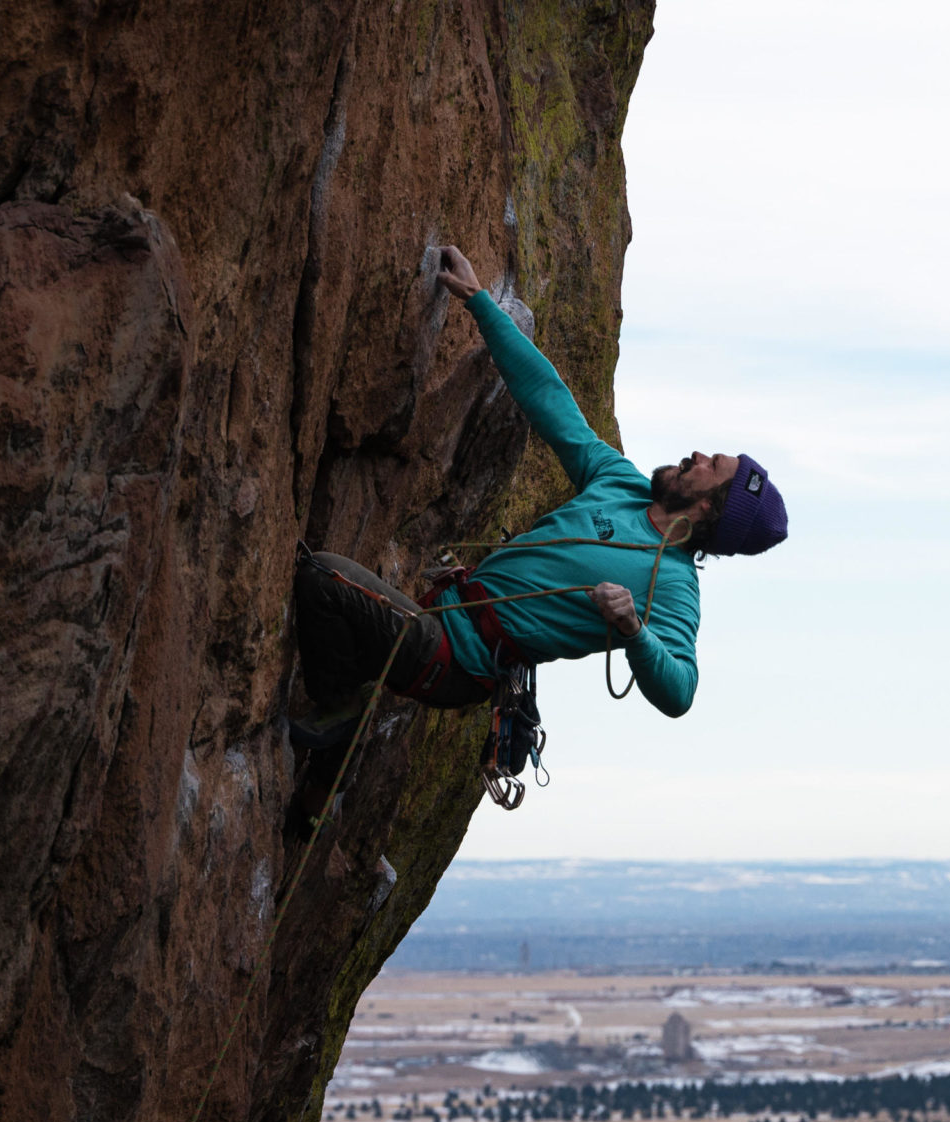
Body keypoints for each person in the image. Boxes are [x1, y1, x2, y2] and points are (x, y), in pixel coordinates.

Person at [288, 244, 786, 819]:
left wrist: (632, 628)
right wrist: (479, 303)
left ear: (707, 511)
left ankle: (339, 736)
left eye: (711, 465)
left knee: (324, 577)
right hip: (444, 614)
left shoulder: (671, 585)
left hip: (457, 656)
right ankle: (323, 780)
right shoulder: (621, 484)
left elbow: (680, 692)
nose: (697, 453)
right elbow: (551, 401)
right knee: (344, 608)